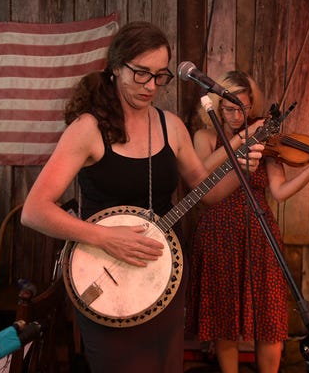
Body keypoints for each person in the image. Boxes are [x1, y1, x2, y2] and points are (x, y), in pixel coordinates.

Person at [20, 21, 264, 373]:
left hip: (162, 276)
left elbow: (206, 193)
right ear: (116, 67)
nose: (151, 86)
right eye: (140, 74)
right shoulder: (89, 129)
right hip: (104, 277)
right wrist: (106, 237)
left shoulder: (171, 126)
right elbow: (34, 211)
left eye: (160, 76)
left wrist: (243, 170)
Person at [185, 70, 309, 373]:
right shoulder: (205, 137)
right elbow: (201, 172)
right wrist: (242, 139)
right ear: (217, 107)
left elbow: (280, 192)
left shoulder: (265, 139)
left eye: (242, 109)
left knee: (269, 317)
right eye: (228, 109)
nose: (235, 116)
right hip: (217, 231)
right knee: (223, 317)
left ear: (251, 106)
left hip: (259, 232)